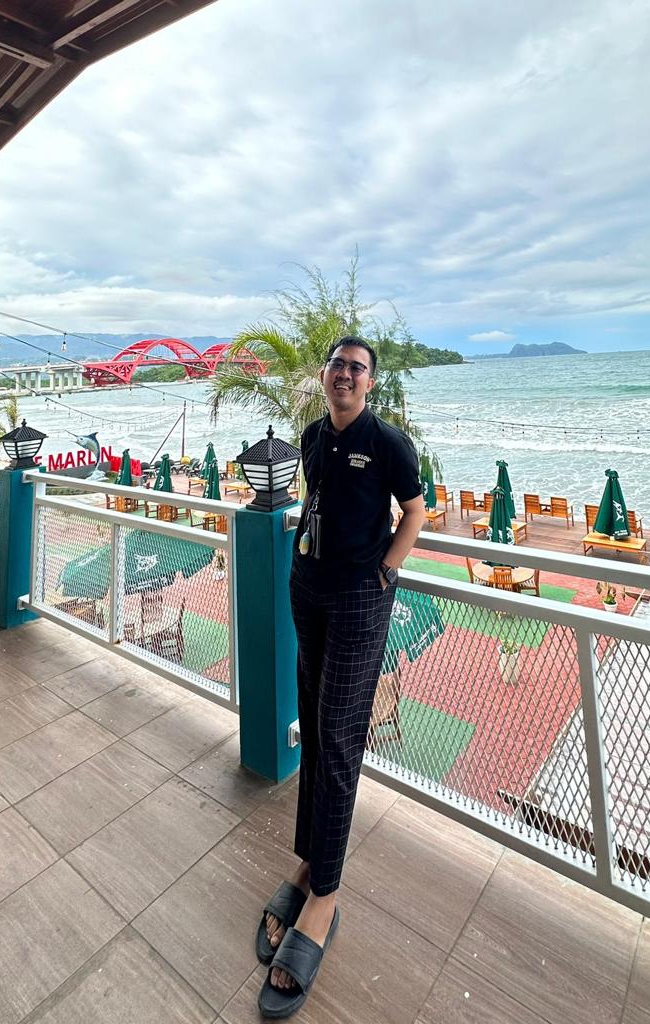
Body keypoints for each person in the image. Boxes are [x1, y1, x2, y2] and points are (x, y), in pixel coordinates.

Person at [256, 335, 426, 1018]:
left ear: (370, 382)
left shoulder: (389, 443)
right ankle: (310, 861)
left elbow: (415, 512)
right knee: (314, 725)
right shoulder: (312, 435)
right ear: (325, 375)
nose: (346, 375)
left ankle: (324, 898)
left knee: (338, 739)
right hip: (309, 587)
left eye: (358, 368)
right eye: (338, 365)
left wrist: (385, 571)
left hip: (359, 597)